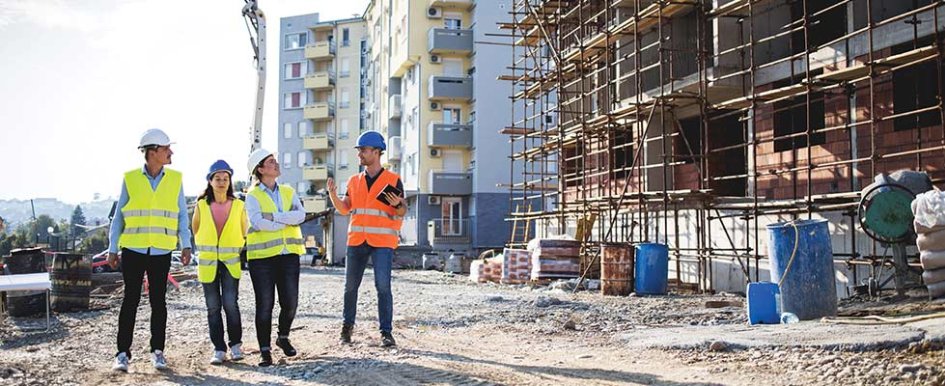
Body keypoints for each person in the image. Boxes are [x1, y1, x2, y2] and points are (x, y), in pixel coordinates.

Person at [107, 128, 192, 372]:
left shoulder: (175, 179)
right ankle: (122, 353)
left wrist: (186, 244)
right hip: (133, 249)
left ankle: (158, 352)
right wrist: (113, 248)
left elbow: (182, 216)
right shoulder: (130, 178)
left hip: (162, 249)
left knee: (159, 302)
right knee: (130, 301)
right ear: (152, 152)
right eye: (166, 149)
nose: (171, 152)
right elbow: (118, 217)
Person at [327, 131, 405, 347]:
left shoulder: (393, 180)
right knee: (350, 287)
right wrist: (333, 195)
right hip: (357, 241)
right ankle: (346, 329)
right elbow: (345, 209)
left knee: (383, 287)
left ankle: (386, 333)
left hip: (382, 243)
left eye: (363, 150)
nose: (359, 154)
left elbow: (400, 211)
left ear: (376, 152)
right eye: (359, 150)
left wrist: (399, 204)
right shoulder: (354, 181)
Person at [245, 149, 306, 367]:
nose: (276, 164)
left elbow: (300, 215)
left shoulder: (288, 191)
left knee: (290, 302)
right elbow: (257, 222)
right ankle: (264, 351)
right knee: (265, 305)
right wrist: (285, 220)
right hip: (261, 259)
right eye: (271, 162)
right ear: (260, 170)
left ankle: (283, 336)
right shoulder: (252, 196)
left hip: (288, 254)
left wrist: (275, 217)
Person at [192, 160, 247, 365]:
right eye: (218, 179)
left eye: (225, 178)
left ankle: (235, 345)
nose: (222, 182)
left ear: (230, 181)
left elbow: (244, 231)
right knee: (213, 307)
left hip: (230, 263)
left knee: (230, 304)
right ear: (210, 181)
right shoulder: (201, 205)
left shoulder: (239, 205)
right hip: (208, 264)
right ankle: (219, 348)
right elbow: (195, 230)